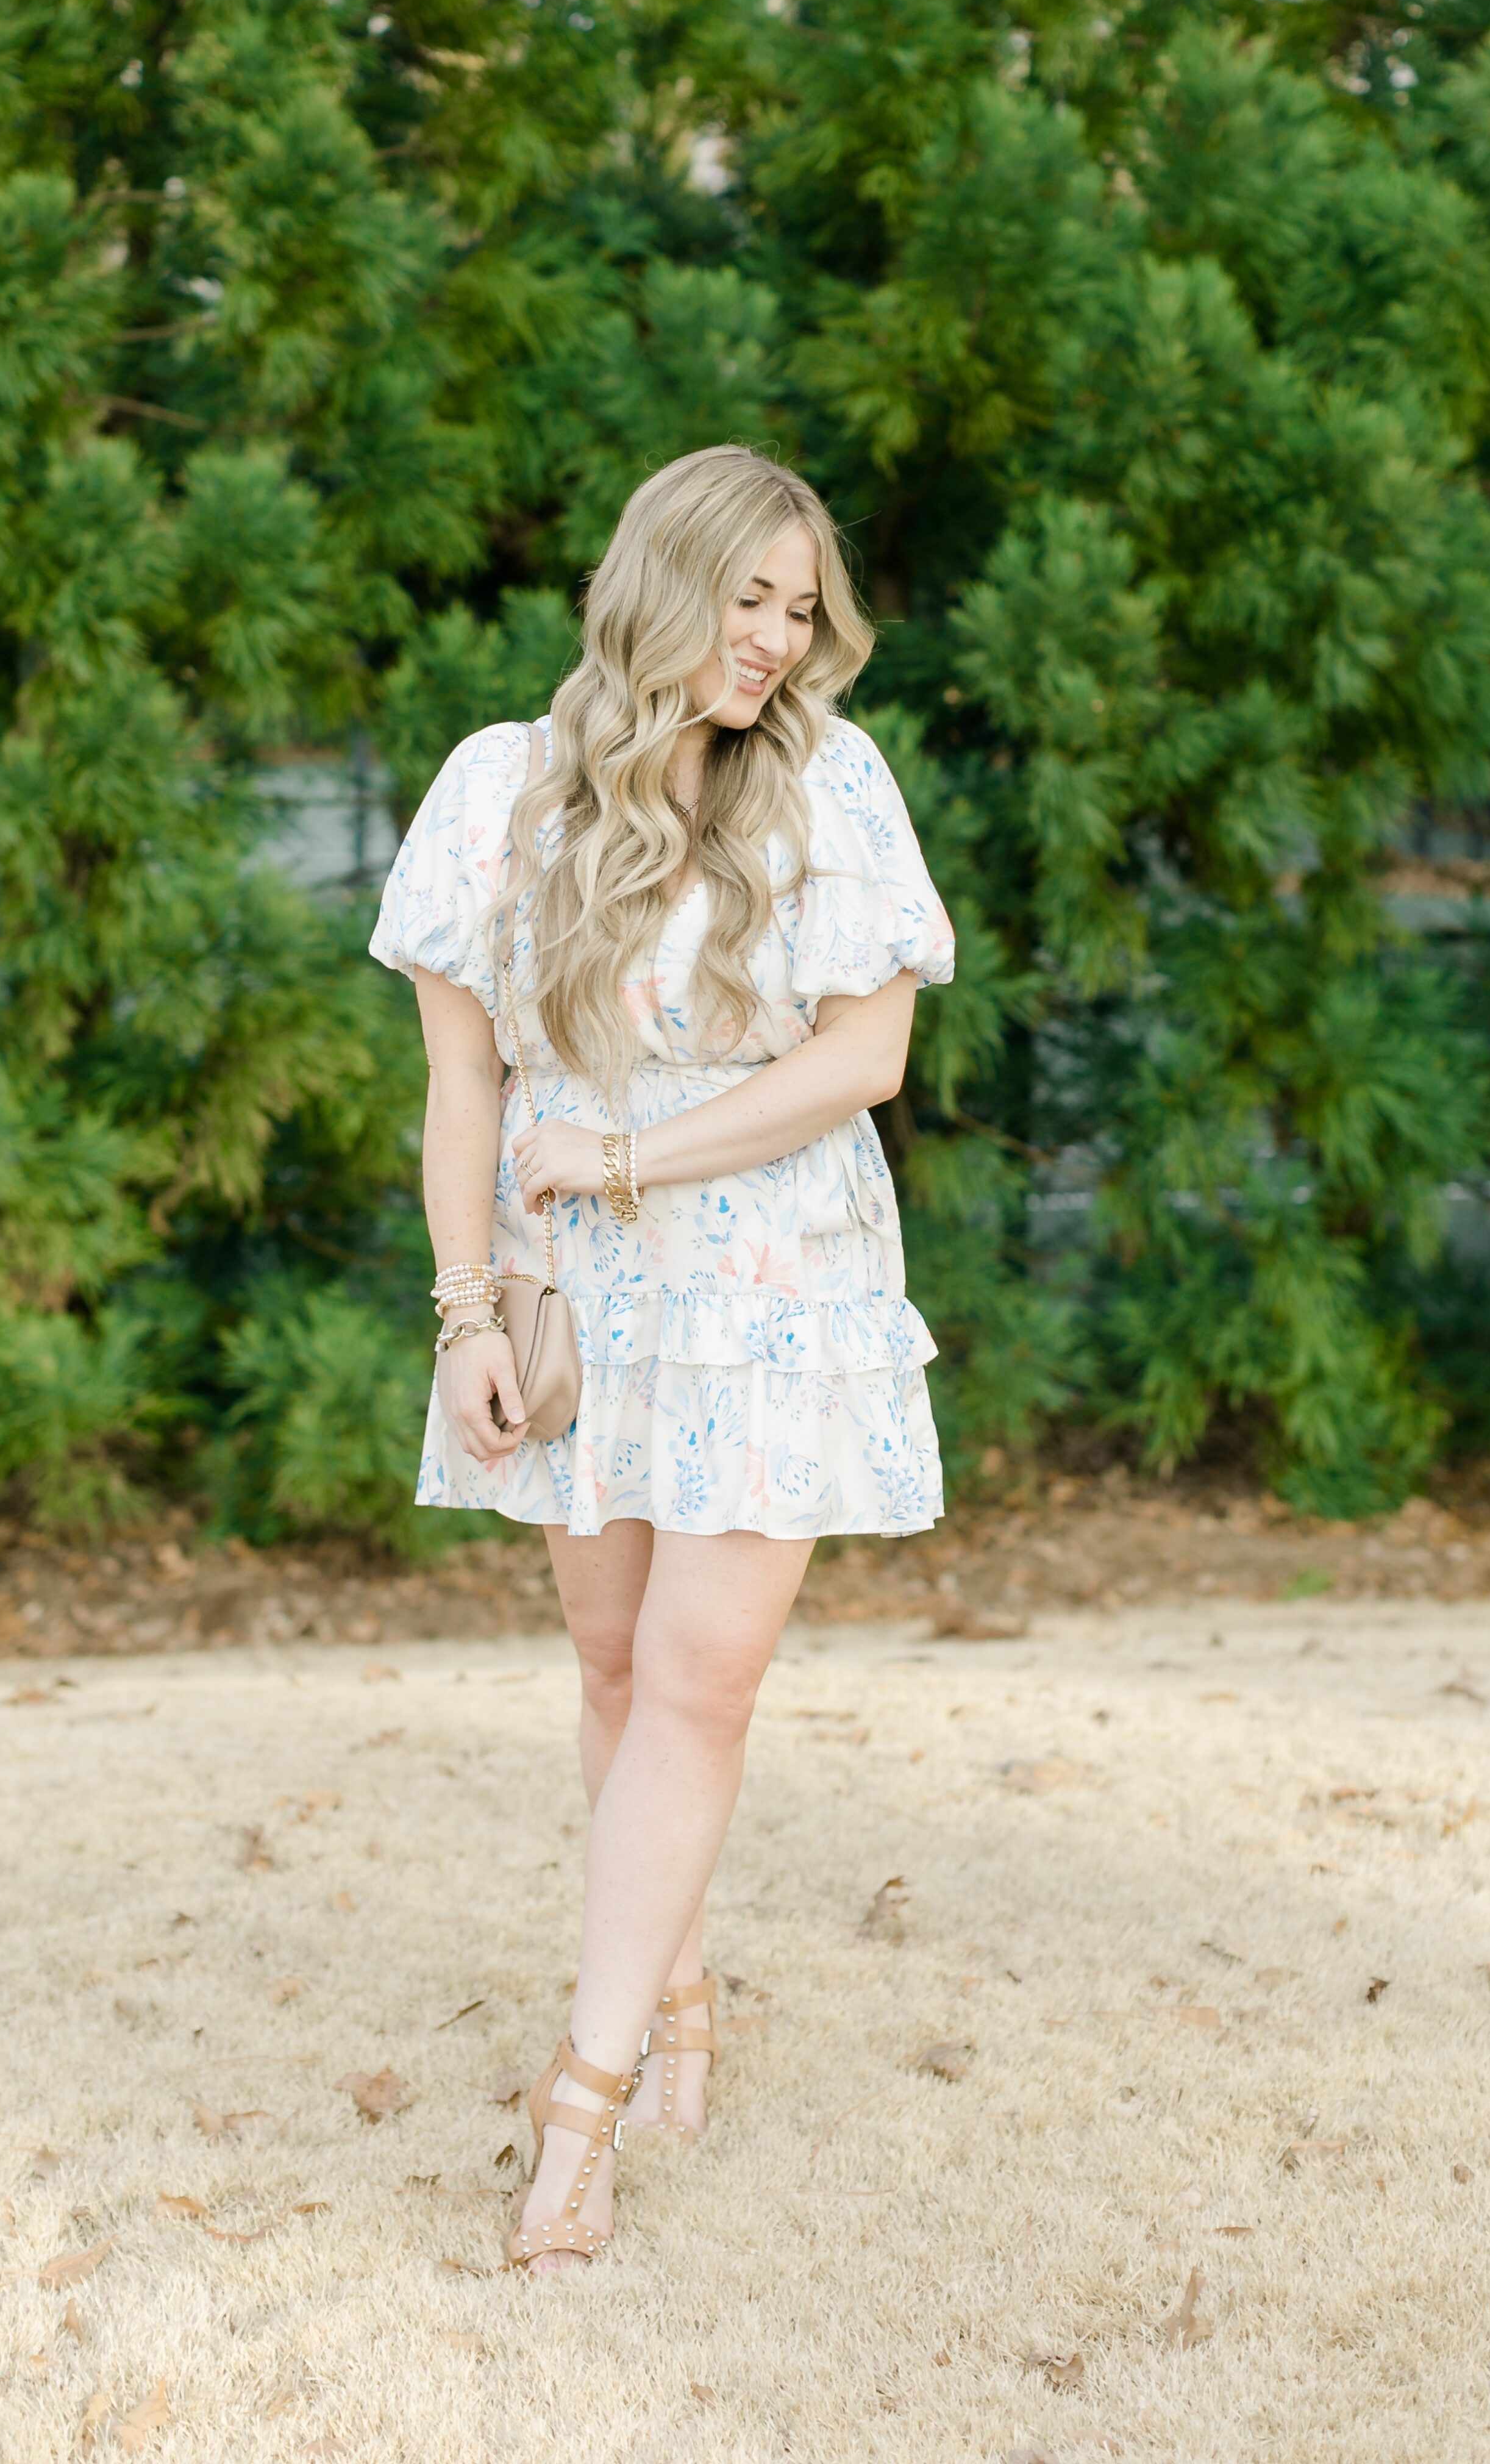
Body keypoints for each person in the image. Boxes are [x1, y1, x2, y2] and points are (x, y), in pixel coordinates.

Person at [369, 443, 954, 2274]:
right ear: (660, 580)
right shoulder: (498, 791)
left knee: (700, 1680)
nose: (778, 640)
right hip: (570, 1294)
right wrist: (467, 1307)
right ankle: (679, 1982)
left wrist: (626, 1157)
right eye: (750, 597)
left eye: (803, 608)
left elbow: (864, 1063)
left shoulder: (831, 787)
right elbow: (463, 1089)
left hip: (773, 1274)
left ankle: (582, 2104)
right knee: (614, 1660)